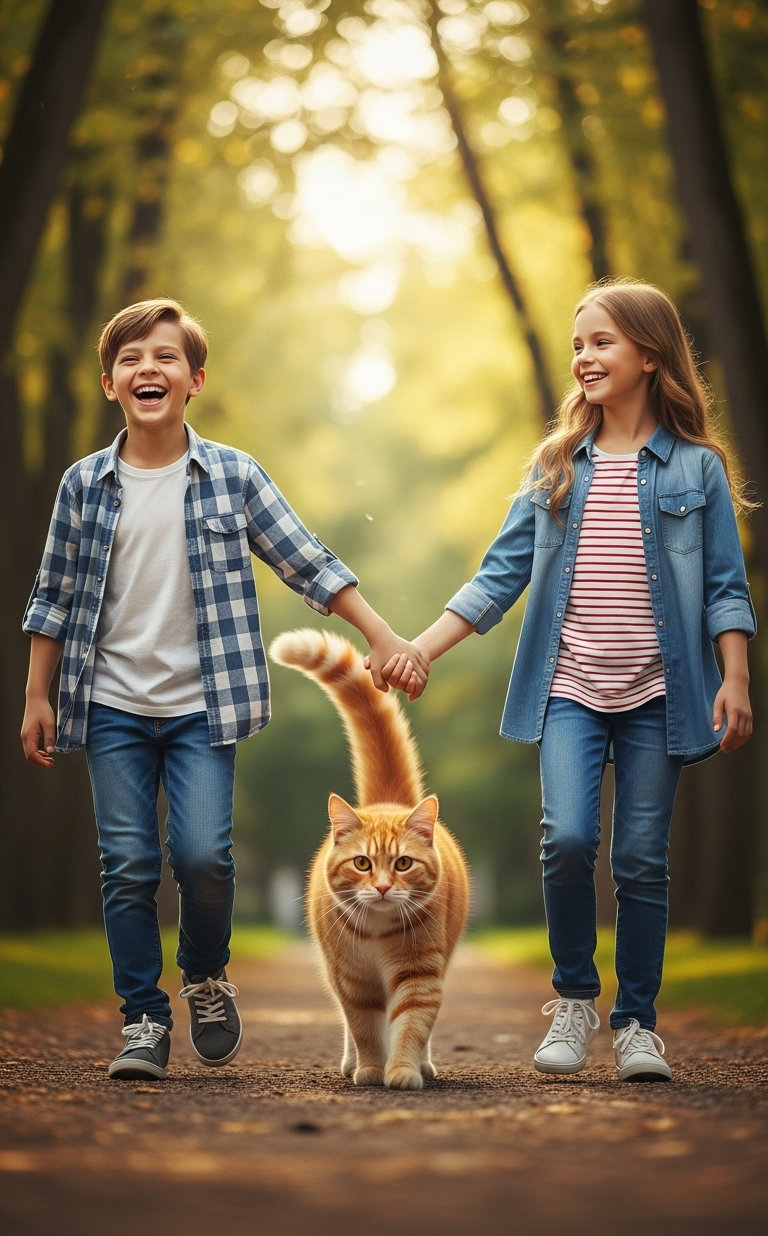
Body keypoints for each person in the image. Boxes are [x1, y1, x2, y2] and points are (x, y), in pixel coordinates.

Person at [20, 298, 428, 1081]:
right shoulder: (83, 485)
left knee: (204, 857)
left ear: (194, 379)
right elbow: (54, 595)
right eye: (133, 358)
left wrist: (381, 635)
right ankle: (143, 1018)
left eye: (166, 357)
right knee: (129, 863)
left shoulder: (233, 476)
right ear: (110, 383)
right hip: (109, 703)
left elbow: (306, 560)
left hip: (205, 705)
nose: (150, 369)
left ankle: (205, 975)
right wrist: (37, 696)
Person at [384, 280, 756, 1081]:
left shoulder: (697, 471)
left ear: (649, 357)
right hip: (570, 690)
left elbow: (726, 585)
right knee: (569, 839)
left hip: (663, 694)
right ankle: (575, 998)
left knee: (643, 858)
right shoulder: (557, 466)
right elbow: (498, 576)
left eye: (602, 343)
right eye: (578, 344)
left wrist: (735, 677)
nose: (584, 357)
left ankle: (637, 1025)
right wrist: (420, 647)